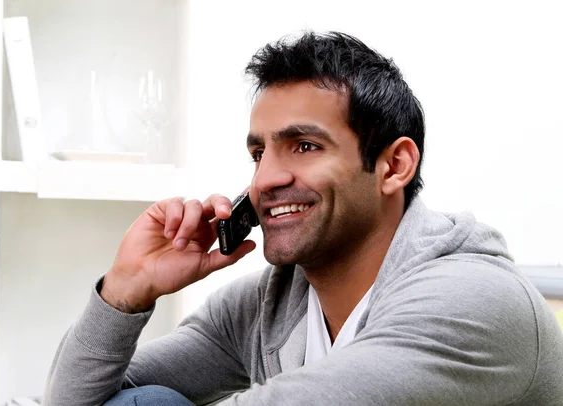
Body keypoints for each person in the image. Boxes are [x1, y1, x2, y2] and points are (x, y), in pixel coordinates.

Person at [43, 31, 563, 406]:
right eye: (258, 154)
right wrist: (126, 290)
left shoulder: (474, 300)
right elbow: (74, 401)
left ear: (394, 166)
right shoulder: (266, 304)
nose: (265, 179)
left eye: (304, 145)